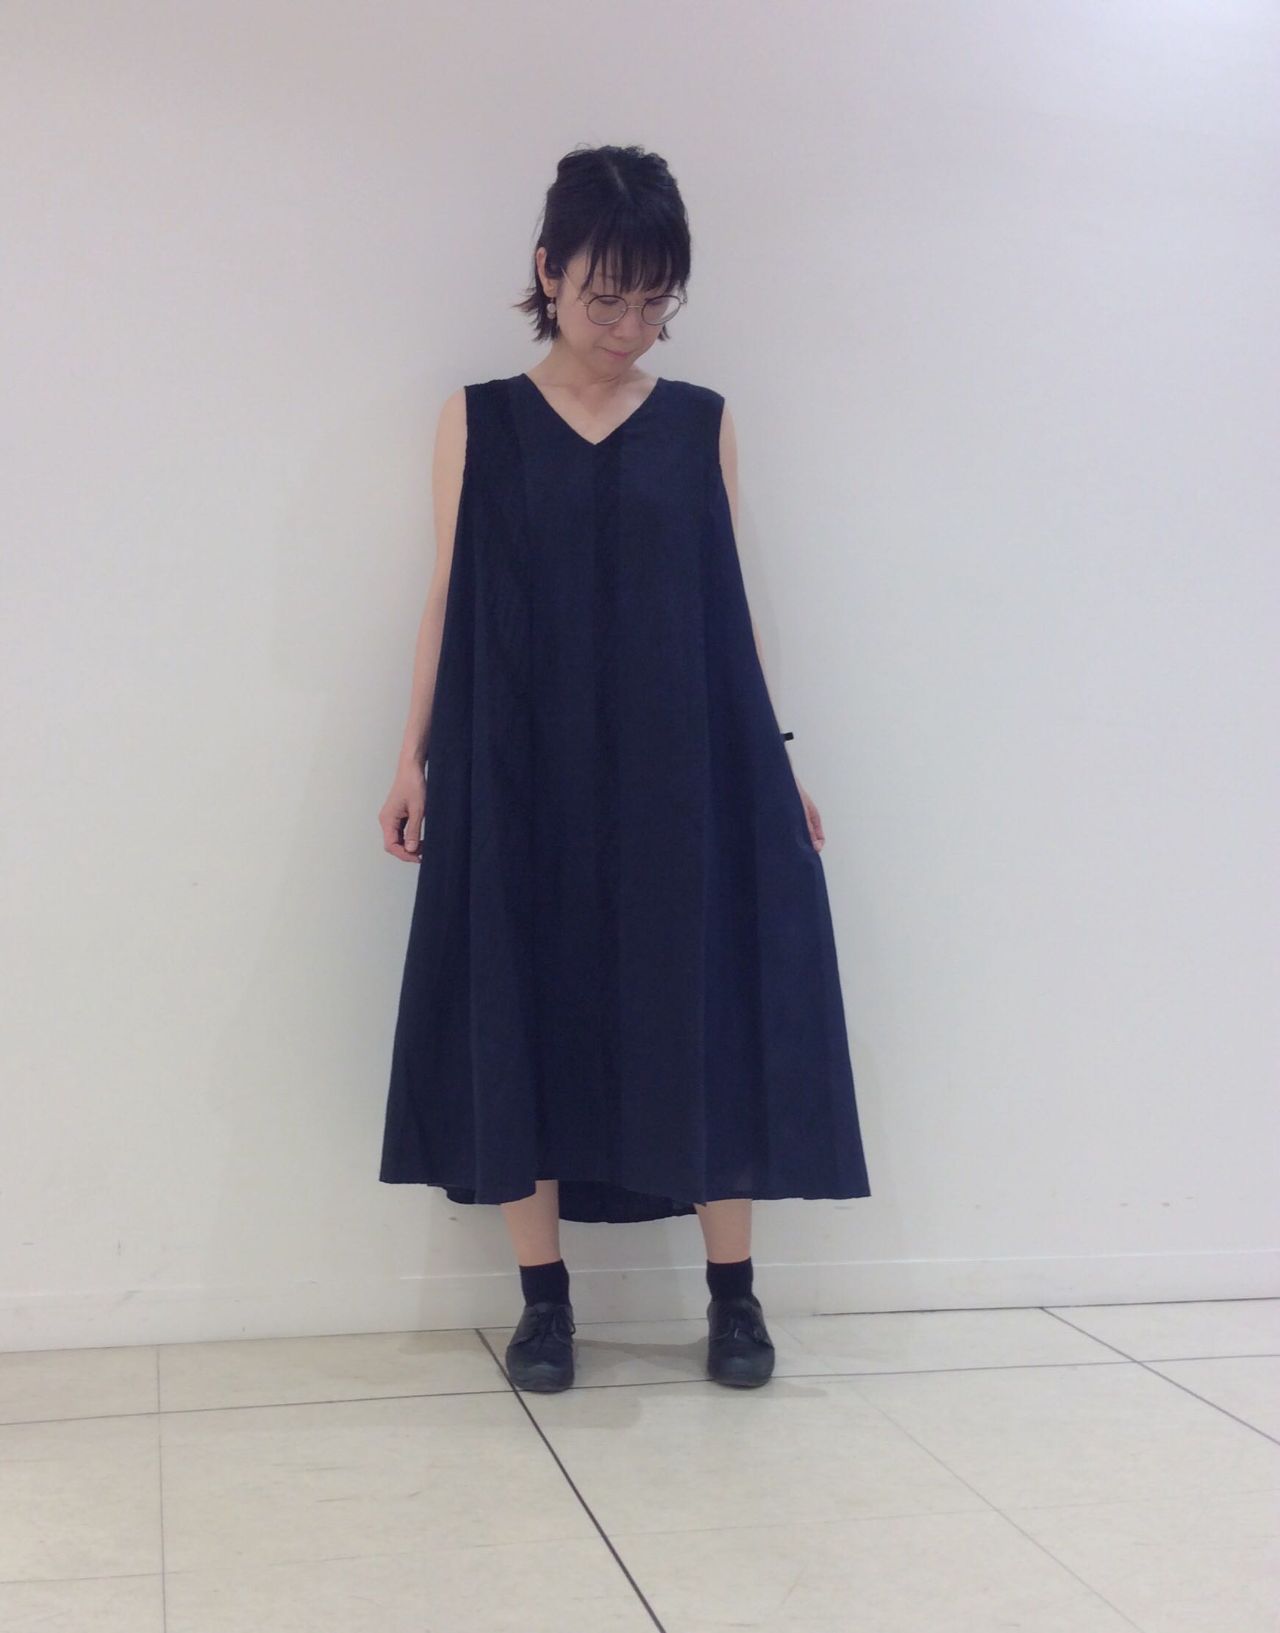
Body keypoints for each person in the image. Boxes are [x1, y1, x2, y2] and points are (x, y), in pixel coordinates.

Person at [377, 144, 870, 1394]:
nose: (629, 325)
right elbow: (445, 594)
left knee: (701, 1001)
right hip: (517, 759)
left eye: (655, 301)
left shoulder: (699, 422)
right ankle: (544, 1305)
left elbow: (726, 606)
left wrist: (773, 757)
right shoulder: (478, 419)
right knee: (520, 1002)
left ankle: (733, 1296)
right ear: (547, 270)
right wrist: (410, 756)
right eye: (606, 296)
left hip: (681, 765)